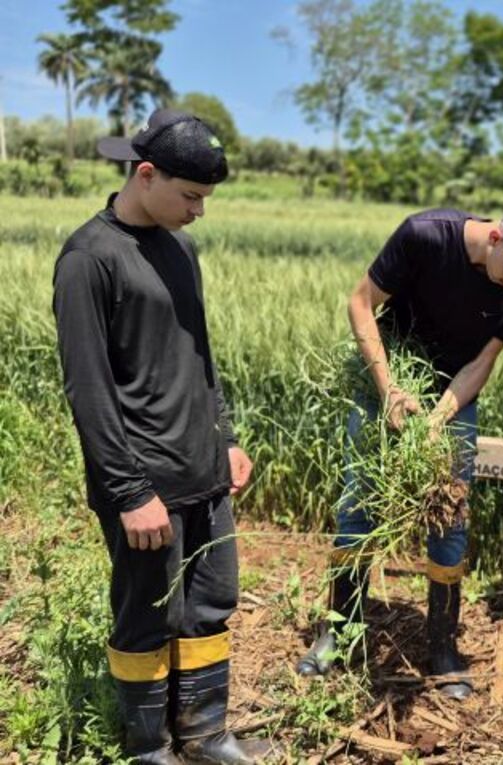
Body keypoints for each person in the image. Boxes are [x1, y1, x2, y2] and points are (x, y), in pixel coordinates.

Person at [52, 110, 271, 764]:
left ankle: (206, 735)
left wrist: (225, 438)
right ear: (145, 174)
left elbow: (199, 355)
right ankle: (150, 746)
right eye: (191, 196)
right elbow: (88, 390)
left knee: (210, 604)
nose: (199, 211)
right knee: (148, 614)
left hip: (204, 469)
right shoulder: (89, 258)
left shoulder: (181, 247)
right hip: (143, 484)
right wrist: (127, 490)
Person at [295, 200, 503, 699]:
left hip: (454, 391)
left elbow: (484, 360)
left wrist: (438, 419)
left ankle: (442, 646)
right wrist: (391, 390)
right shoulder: (424, 236)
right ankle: (338, 632)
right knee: (358, 501)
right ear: (495, 239)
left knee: (449, 510)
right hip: (388, 374)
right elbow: (360, 303)